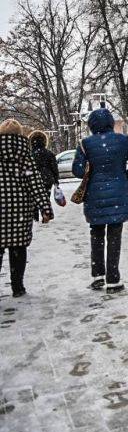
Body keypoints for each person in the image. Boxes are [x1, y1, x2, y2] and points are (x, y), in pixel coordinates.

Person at [73, 109, 128, 294]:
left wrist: (92, 175)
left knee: (96, 233)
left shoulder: (85, 144)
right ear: (112, 123)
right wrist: (123, 177)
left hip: (94, 196)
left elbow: (77, 170)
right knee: (115, 235)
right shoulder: (124, 140)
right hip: (118, 194)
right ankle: (113, 279)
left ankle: (98, 276)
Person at [0, 119, 53, 299]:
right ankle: (18, 286)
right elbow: (35, 183)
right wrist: (45, 208)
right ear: (20, 135)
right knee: (18, 248)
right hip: (20, 211)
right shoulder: (25, 156)